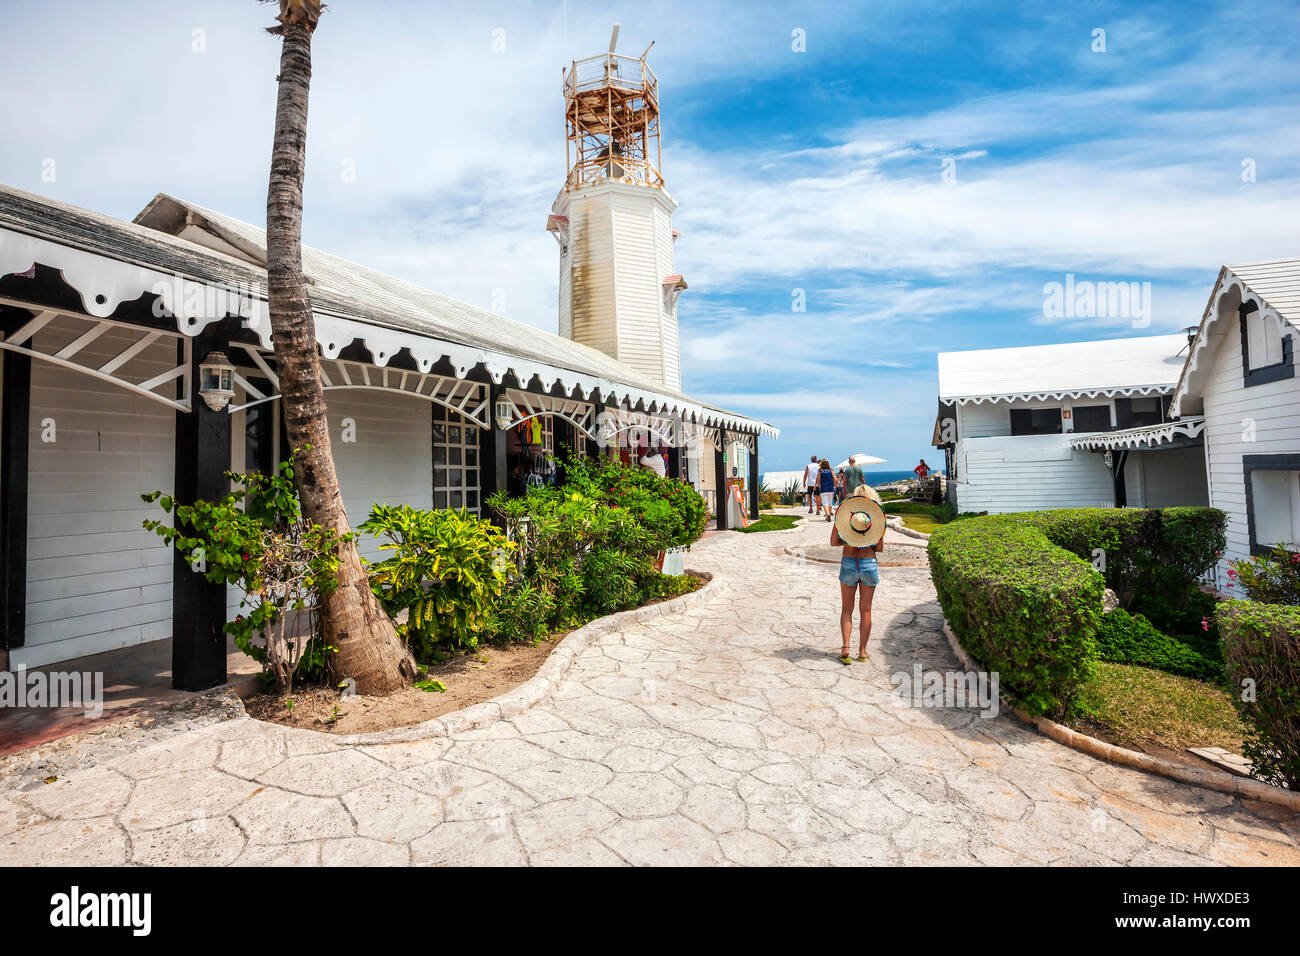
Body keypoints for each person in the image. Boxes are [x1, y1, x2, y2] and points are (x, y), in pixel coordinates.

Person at [831, 486, 886, 664]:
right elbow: (879, 548)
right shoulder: (877, 518)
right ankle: (862, 651)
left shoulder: (845, 517)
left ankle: (845, 647)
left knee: (847, 609)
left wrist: (849, 538)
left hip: (848, 563)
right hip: (869, 563)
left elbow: (833, 542)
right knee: (866, 610)